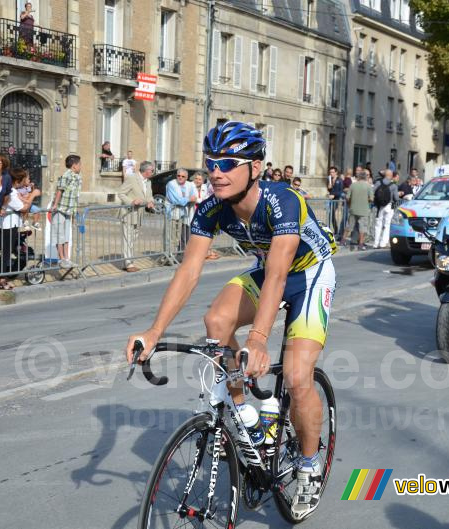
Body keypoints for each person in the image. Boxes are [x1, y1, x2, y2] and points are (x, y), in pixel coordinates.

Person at [125, 121, 337, 520]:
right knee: (217, 321)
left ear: (255, 168)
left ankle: (309, 465)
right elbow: (189, 270)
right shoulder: (212, 208)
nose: (216, 172)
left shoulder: (283, 201)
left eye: (227, 163)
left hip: (308, 275)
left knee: (296, 377)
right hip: (268, 272)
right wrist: (154, 331)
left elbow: (279, 274)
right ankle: (248, 417)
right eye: (211, 164)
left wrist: (258, 338)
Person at [0, 168, 39, 290]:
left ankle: (0, 279)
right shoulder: (11, 192)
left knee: (6, 254)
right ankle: (0, 280)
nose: (25, 181)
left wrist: (26, 199)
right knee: (6, 254)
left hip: (9, 225)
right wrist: (33, 195)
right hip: (7, 226)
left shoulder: (12, 191)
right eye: (24, 179)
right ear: (18, 180)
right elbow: (23, 208)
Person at [118, 160, 155, 272]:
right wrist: (131, 201)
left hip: (139, 214)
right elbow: (121, 193)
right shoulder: (132, 178)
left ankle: (126, 262)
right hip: (129, 213)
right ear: (146, 170)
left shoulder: (148, 182)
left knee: (133, 239)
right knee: (128, 238)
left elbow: (149, 195)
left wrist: (150, 201)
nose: (153, 172)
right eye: (152, 170)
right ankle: (129, 264)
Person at [50, 154, 82, 269]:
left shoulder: (78, 177)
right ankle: (61, 258)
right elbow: (60, 190)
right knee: (60, 234)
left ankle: (67, 258)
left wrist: (75, 211)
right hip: (60, 209)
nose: (81, 166)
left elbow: (75, 195)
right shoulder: (66, 176)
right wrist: (55, 205)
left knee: (67, 235)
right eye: (80, 164)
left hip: (69, 210)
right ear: (74, 166)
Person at [166, 168, 197, 252]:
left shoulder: (189, 185)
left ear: (186, 177)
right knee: (170, 236)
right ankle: (168, 255)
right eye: (178, 175)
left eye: (183, 176)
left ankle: (176, 254)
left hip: (183, 215)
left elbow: (194, 197)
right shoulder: (171, 184)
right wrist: (188, 199)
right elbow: (175, 200)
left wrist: (188, 199)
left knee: (178, 237)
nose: (180, 177)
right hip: (172, 213)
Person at [345, 170, 373, 250]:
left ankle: (343, 241)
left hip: (353, 208)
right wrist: (366, 201)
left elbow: (347, 197)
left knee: (349, 226)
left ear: (358, 177)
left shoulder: (353, 185)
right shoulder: (368, 186)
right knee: (362, 228)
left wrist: (350, 204)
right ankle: (360, 244)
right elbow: (371, 199)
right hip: (364, 210)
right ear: (365, 177)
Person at [372, 169, 398, 248]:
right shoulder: (393, 185)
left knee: (378, 224)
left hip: (379, 206)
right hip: (389, 206)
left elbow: (372, 191)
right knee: (387, 225)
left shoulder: (378, 182)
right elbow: (396, 198)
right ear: (391, 176)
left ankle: (375, 243)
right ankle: (383, 243)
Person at [326, 166, 344, 242]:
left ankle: (337, 231)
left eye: (333, 172)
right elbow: (329, 189)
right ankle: (335, 230)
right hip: (330, 200)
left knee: (332, 214)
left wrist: (334, 195)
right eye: (330, 172)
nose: (331, 173)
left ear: (336, 172)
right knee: (330, 215)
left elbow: (341, 191)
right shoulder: (329, 179)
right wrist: (329, 188)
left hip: (336, 200)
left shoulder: (339, 180)